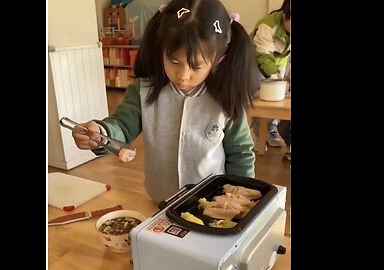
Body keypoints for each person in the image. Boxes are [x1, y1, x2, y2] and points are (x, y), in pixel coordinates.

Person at [70, 0, 261, 204]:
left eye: (196, 66)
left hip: (211, 203)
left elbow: (240, 153)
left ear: (218, 60)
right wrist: (102, 133)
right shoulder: (144, 92)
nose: (183, 75)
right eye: (174, 61)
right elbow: (122, 126)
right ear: (161, 50)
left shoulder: (225, 99)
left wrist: (241, 195)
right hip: (161, 200)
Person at [250, 0, 291, 153]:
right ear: (285, 16)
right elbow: (263, 57)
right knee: (260, 97)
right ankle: (256, 133)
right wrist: (279, 80)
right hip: (254, 62)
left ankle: (271, 127)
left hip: (279, 63)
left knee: (280, 98)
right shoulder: (267, 25)